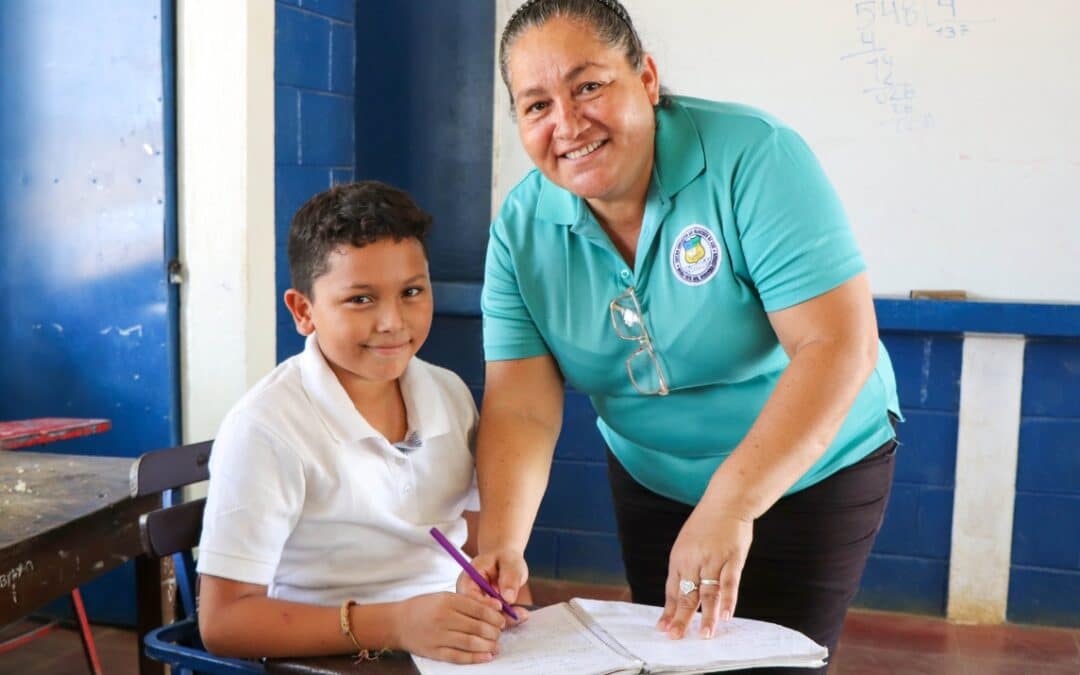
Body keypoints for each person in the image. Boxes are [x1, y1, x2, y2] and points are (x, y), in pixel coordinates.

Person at [465, 0, 902, 670]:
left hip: (809, 467)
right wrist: (502, 535)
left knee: (767, 663)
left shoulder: (752, 156)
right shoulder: (522, 230)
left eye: (589, 86)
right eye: (536, 105)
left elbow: (834, 345)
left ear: (645, 77)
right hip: (655, 476)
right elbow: (520, 406)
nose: (568, 123)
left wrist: (730, 504)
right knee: (675, 658)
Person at [196, 181, 525, 664]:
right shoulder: (266, 428)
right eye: (361, 300)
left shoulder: (449, 395)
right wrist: (396, 623)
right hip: (329, 658)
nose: (393, 321)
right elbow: (223, 624)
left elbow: (476, 537)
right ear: (303, 310)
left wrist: (495, 582)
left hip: (443, 648)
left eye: (412, 291)